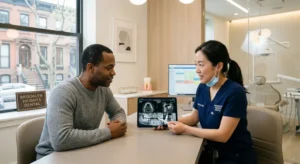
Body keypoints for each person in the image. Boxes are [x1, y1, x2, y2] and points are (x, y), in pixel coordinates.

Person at [167, 40, 257, 163]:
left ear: (218, 66)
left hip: (234, 157)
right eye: (196, 65)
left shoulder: (235, 92)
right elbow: (194, 118)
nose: (197, 70)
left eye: (201, 65)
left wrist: (185, 129)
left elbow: (223, 135)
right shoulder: (202, 88)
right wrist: (170, 121)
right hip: (211, 153)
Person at [36, 44, 127, 159]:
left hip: (82, 151)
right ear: (90, 68)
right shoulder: (64, 92)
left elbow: (118, 112)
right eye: (109, 68)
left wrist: (118, 123)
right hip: (52, 157)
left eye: (113, 68)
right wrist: (109, 132)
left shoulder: (103, 90)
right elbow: (61, 140)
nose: (113, 72)